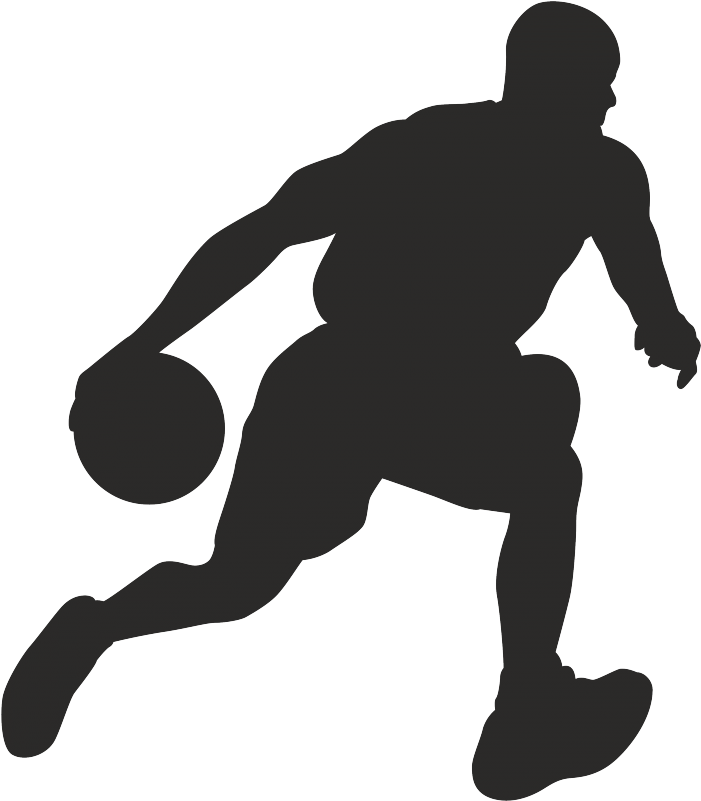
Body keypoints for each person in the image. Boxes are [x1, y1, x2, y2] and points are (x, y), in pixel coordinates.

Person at [3, 2, 699, 797]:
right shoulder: (433, 146)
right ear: (533, 81)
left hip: (432, 383)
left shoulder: (600, 174)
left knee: (546, 436)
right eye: (592, 86)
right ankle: (91, 626)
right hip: (344, 384)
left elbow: (642, 281)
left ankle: (527, 703)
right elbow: (267, 230)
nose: (604, 103)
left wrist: (667, 329)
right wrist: (143, 342)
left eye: (606, 88)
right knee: (239, 581)